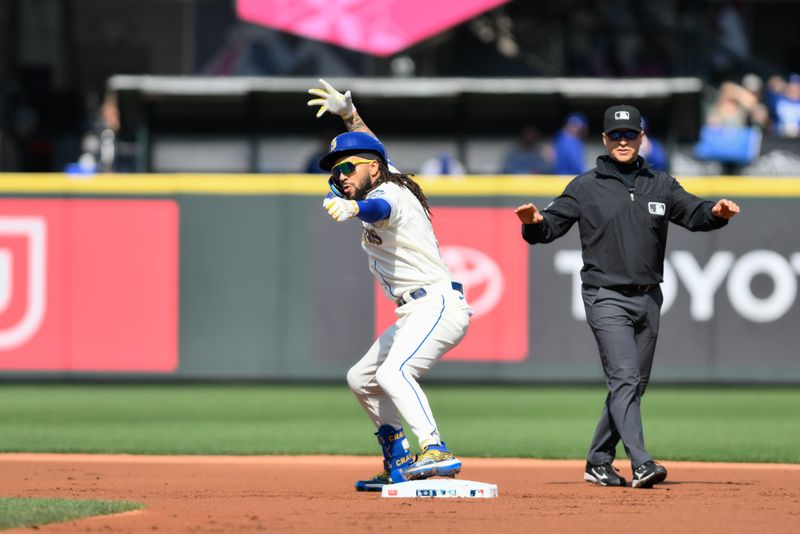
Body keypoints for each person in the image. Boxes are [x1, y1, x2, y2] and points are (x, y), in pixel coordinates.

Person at [514, 105, 740, 489]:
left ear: (641, 137)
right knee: (625, 378)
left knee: (632, 385)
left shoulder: (660, 183)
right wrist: (534, 225)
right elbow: (550, 227)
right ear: (604, 139)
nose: (623, 141)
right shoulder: (585, 186)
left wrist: (716, 213)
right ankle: (642, 463)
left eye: (629, 134)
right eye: (615, 135)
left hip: (649, 297)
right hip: (606, 296)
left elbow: (694, 212)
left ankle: (598, 460)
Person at [307, 79, 472, 492]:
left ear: (373, 170)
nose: (340, 174)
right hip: (414, 309)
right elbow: (373, 149)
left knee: (395, 371)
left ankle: (435, 449)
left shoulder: (389, 194)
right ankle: (397, 459)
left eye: (348, 167)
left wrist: (356, 206)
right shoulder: (386, 174)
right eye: (335, 169)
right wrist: (349, 114)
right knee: (361, 378)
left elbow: (378, 205)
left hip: (437, 304)